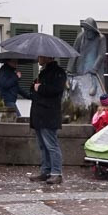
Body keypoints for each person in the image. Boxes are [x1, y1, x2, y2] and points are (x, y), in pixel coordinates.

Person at [28, 55, 67, 185]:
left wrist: (40, 88)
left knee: (51, 145)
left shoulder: (58, 73)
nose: (38, 57)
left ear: (47, 56)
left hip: (48, 114)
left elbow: (56, 90)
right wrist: (35, 87)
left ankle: (56, 173)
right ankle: (46, 171)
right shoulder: (43, 72)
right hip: (39, 114)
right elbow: (33, 91)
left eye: (41, 55)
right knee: (43, 145)